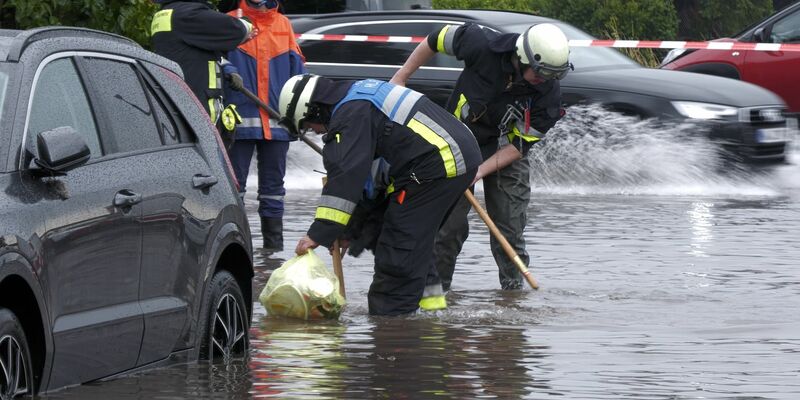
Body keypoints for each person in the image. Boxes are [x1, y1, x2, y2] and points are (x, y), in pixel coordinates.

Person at [390, 23, 572, 290]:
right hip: (455, 144)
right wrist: (401, 77)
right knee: (448, 228)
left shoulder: (549, 94)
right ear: (522, 57)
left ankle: (513, 298)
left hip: (504, 150)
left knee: (509, 229)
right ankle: (436, 295)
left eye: (552, 75)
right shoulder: (479, 43)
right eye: (541, 72)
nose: (544, 80)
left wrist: (477, 172)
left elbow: (518, 147)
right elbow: (434, 39)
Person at [280, 74, 482, 316]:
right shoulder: (358, 96)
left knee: (398, 247)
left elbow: (345, 179)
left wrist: (318, 233)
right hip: (454, 157)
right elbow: (368, 179)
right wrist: (349, 231)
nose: (313, 131)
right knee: (412, 241)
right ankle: (431, 314)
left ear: (312, 110)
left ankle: (391, 324)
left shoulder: (349, 116)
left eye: (307, 126)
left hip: (437, 164)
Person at [222, 0, 306, 252]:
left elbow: (297, 71)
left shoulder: (282, 24)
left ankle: (273, 252)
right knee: (233, 188)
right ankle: (234, 249)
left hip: (277, 120)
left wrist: (298, 114)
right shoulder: (229, 21)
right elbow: (215, 59)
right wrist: (228, 69)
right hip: (239, 118)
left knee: (274, 191)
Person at [150, 0, 252, 133]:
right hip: (198, 117)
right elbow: (237, 30)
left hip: (184, 110)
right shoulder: (188, 15)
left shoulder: (166, 14)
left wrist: (227, 68)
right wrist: (246, 24)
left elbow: (201, 52)